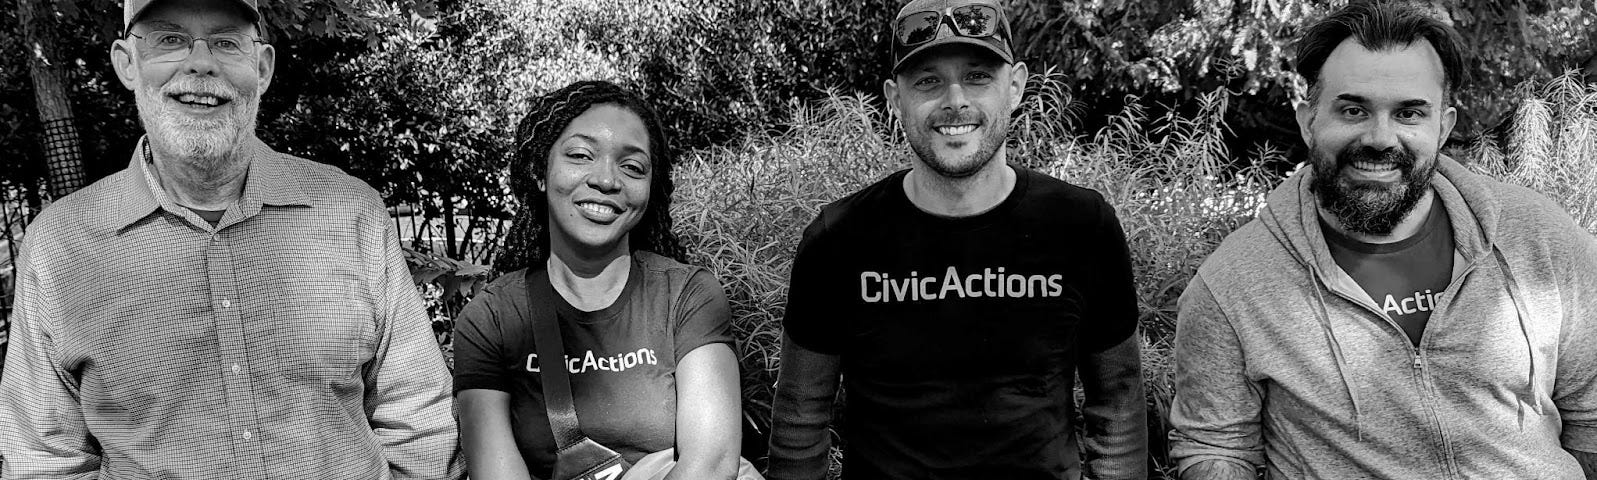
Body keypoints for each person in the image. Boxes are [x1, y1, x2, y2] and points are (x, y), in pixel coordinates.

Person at [0, 0, 460, 478]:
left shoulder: (351, 212)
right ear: (127, 63)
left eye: (225, 42)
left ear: (261, 68)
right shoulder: (61, 244)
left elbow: (417, 417)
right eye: (170, 39)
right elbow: (44, 457)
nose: (201, 63)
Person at [1168, 2, 1597, 479]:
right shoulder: (1231, 285)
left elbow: (1592, 414)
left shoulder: (1538, 238)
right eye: (1353, 110)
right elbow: (1217, 448)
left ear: (1444, 126)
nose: (1380, 138)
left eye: (1409, 113)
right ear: (1308, 120)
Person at [764, 0, 1149, 478]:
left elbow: (1120, 405)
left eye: (978, 76)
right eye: (927, 80)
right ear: (893, 97)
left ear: (1016, 86)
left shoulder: (1081, 226)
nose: (955, 100)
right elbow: (800, 417)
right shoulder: (837, 239)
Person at [453, 80, 749, 480]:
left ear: (650, 190)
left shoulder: (688, 296)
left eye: (632, 167)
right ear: (540, 173)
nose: (607, 180)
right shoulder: (491, 319)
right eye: (580, 155)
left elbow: (710, 465)